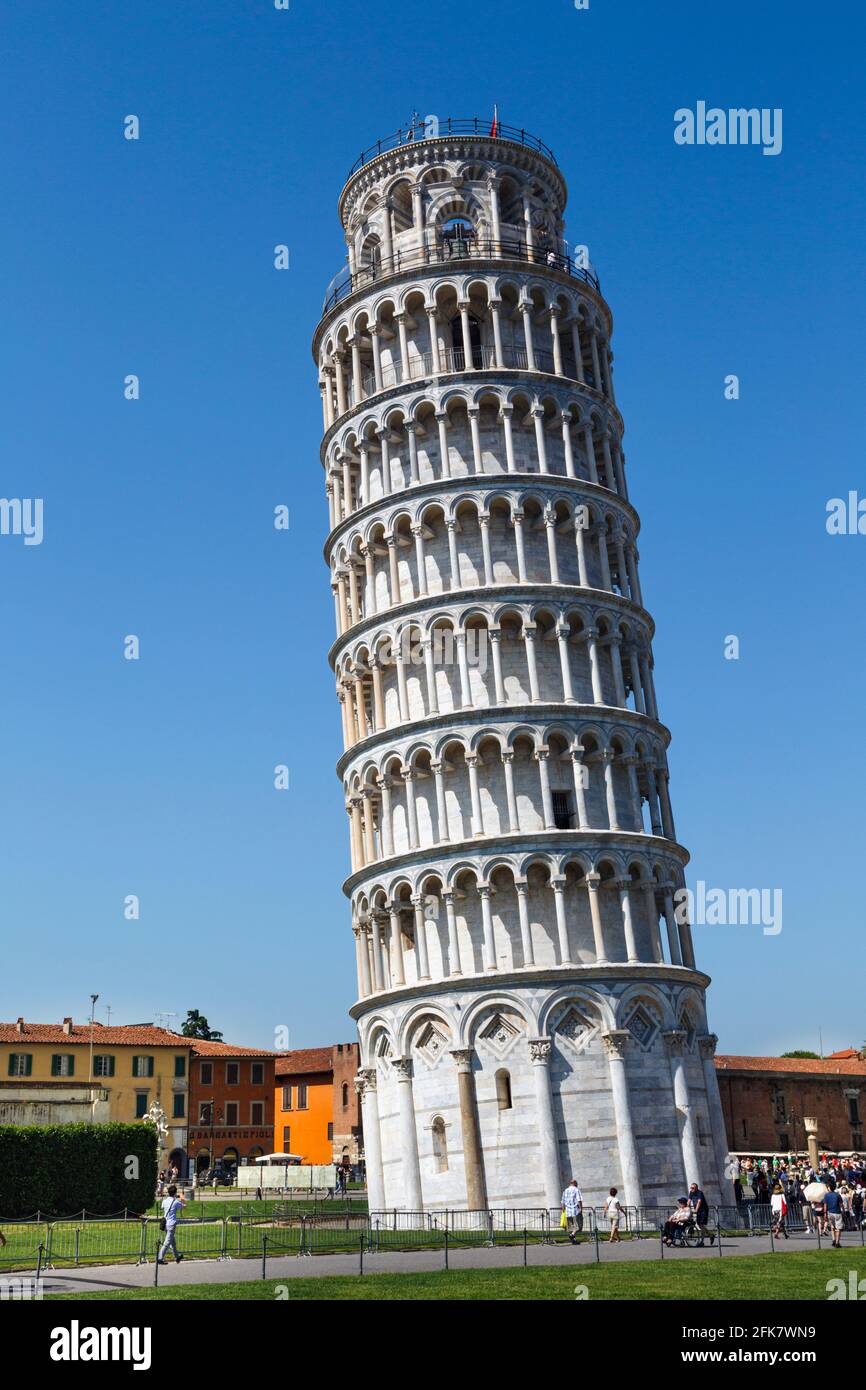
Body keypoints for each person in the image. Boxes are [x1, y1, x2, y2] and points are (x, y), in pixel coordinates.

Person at [157, 1184, 186, 1265]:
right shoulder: (176, 1202)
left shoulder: (165, 1201)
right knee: (167, 1242)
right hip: (171, 1224)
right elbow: (184, 1206)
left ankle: (177, 1257)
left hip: (165, 1222)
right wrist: (182, 1198)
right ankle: (160, 1258)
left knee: (172, 1242)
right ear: (175, 1193)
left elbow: (162, 1207)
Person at [560, 1179, 584, 1243]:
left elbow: (562, 1201)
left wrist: (563, 1210)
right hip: (575, 1211)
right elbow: (579, 1200)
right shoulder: (576, 1190)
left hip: (568, 1211)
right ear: (575, 1183)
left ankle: (574, 1240)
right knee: (579, 1226)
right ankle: (572, 1235)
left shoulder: (565, 1191)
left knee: (571, 1227)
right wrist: (581, 1208)